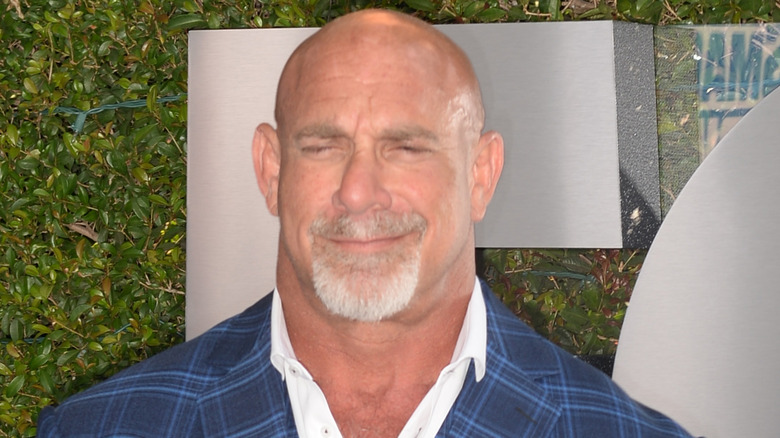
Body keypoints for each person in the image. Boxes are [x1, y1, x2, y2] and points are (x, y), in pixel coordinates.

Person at [38, 9, 692, 437]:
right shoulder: (105, 427)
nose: (358, 192)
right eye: (323, 146)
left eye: (406, 147)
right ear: (271, 170)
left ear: (480, 175)